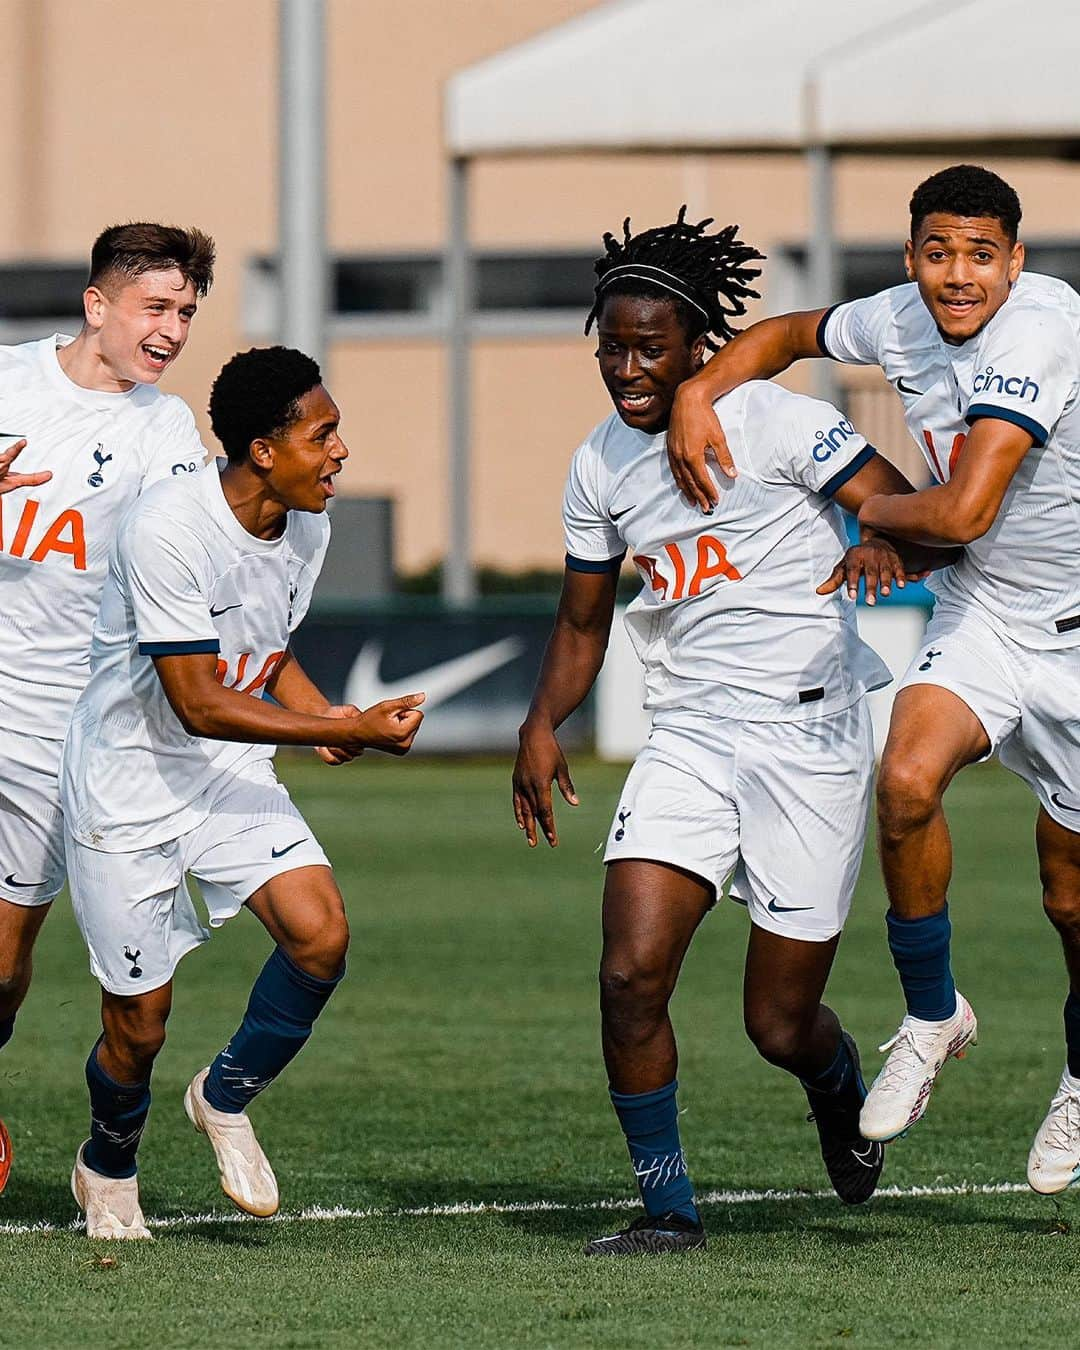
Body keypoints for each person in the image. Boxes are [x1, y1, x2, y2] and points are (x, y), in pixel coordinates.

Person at [513, 209, 953, 1256]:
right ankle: (668, 1208)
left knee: (778, 1024)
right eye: (611, 345)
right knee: (628, 975)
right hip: (691, 739)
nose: (626, 366)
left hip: (812, 739)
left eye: (649, 345)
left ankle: (836, 1086)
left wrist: (883, 550)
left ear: (700, 343)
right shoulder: (597, 464)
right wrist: (541, 721)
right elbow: (583, 617)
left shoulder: (777, 421)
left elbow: (912, 516)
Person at [665, 163, 1080, 1191]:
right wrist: (699, 391)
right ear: (911, 258)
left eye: (981, 253)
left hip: (1076, 637)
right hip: (987, 615)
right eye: (937, 251)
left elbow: (963, 512)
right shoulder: (896, 317)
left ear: (1015, 262)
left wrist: (857, 513)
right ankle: (935, 1014)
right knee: (904, 782)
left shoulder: (1040, 327)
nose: (957, 273)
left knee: (1071, 902)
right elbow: (784, 335)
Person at [61, 346, 424, 1239]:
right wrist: (345, 731)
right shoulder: (168, 529)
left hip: (225, 770)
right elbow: (198, 700)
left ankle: (222, 1098)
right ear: (264, 449)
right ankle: (107, 1162)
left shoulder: (308, 523)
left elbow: (263, 650)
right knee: (138, 1024)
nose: (341, 452)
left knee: (320, 936)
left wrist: (317, 710)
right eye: (323, 433)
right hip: (129, 781)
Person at [0, 223, 215, 1193]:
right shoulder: (6, 381)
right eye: (157, 308)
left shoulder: (163, 430)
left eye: (186, 314)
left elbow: (179, 554)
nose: (172, 330)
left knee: (5, 969)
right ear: (98, 304)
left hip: (57, 727)